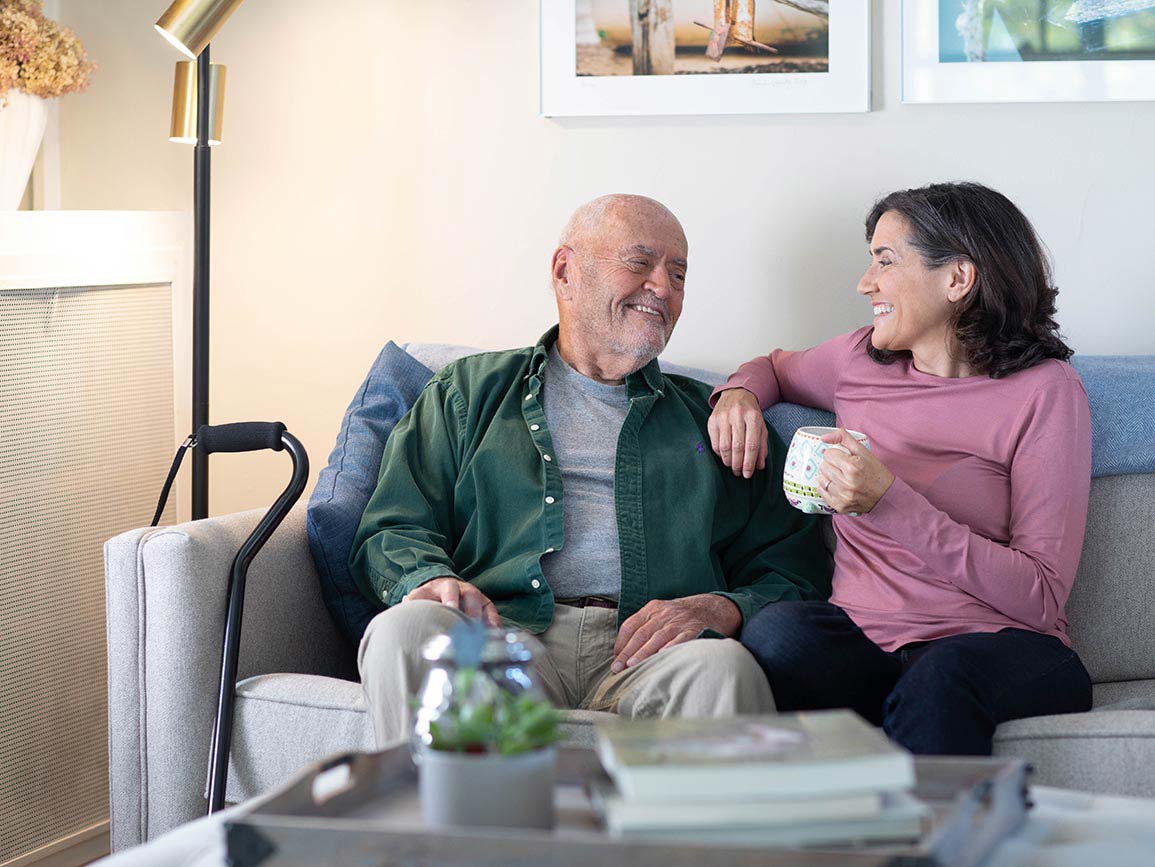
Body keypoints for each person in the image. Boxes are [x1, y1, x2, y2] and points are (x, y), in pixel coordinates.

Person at [350, 194, 830, 745]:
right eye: (640, 263)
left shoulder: (716, 419)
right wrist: (431, 580)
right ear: (565, 272)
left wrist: (724, 606)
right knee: (406, 632)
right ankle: (433, 830)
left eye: (678, 274)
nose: (664, 288)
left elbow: (795, 571)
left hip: (655, 654)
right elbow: (392, 526)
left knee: (725, 670)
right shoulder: (467, 392)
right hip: (502, 637)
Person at [708, 182, 1094, 756]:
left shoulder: (1044, 392)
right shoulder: (858, 361)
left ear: (957, 279)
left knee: (940, 678)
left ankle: (925, 840)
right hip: (868, 649)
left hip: (998, 646)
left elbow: (1039, 595)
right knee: (779, 633)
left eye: (885, 261)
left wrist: (889, 502)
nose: (866, 283)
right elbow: (771, 367)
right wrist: (738, 395)